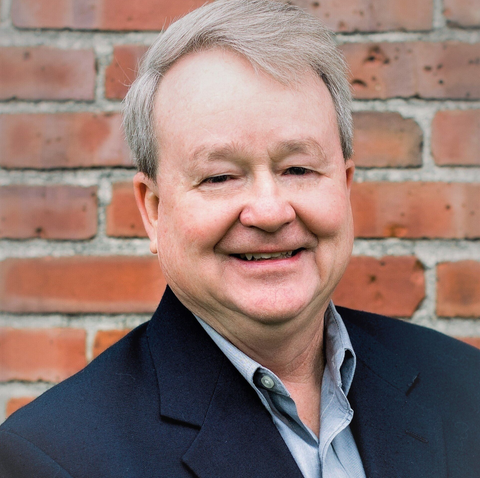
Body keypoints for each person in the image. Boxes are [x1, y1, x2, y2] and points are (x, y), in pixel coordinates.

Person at [1, 1, 479, 477]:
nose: (270, 212)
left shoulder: (463, 385)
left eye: (298, 169)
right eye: (221, 177)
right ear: (152, 208)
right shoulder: (53, 457)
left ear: (346, 186)